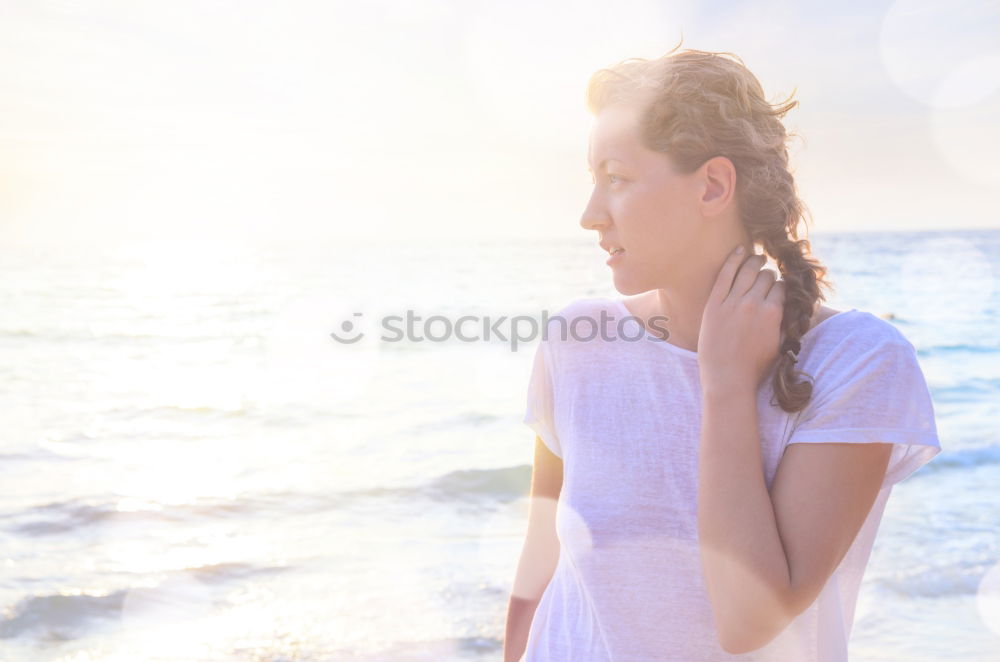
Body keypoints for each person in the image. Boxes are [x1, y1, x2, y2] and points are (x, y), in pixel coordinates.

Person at [503, 44, 942, 662]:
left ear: (712, 186)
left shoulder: (857, 361)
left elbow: (749, 619)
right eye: (592, 180)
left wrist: (728, 385)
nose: (589, 215)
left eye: (618, 179)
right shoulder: (577, 339)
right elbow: (542, 559)